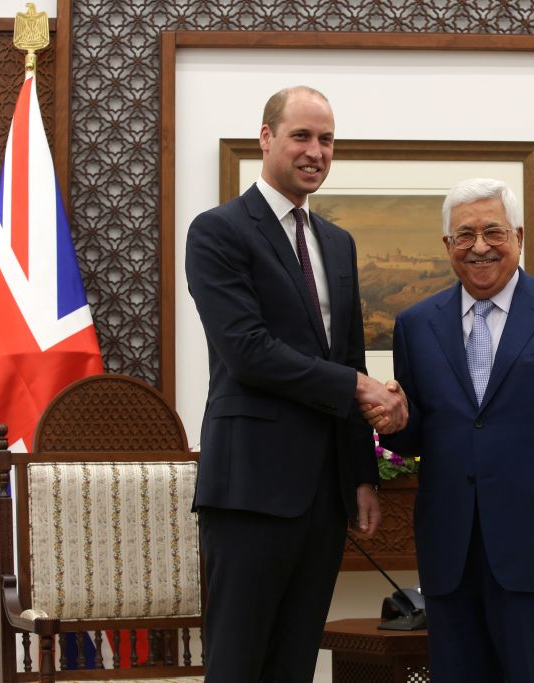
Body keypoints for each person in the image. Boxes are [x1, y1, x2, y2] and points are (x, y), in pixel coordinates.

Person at [185, 85, 408, 682]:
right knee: (238, 661)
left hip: (322, 496)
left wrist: (360, 473)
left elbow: (349, 354)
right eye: (302, 136)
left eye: (327, 139)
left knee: (295, 662)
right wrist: (360, 388)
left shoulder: (338, 242)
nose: (316, 151)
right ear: (266, 139)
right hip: (250, 489)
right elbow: (249, 352)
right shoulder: (218, 231)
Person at [376, 178, 534, 682]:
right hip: (452, 553)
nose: (480, 246)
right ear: (448, 246)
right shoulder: (415, 324)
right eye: (464, 235)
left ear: (518, 235)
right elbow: (418, 437)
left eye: (493, 231)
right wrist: (397, 424)